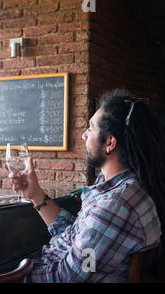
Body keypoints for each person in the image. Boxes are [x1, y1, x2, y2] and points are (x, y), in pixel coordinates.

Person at [11, 89, 165, 282]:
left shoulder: (116, 204)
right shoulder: (116, 187)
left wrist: (14, 277)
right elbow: (80, 238)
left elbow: (69, 277)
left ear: (109, 143)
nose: (84, 135)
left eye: (91, 128)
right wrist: (35, 195)